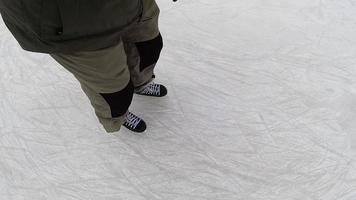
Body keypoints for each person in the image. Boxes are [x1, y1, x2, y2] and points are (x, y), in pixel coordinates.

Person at [0, 0, 167, 133]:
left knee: (149, 48)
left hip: (134, 6)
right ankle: (118, 117)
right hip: (76, 24)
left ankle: (141, 82)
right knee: (114, 92)